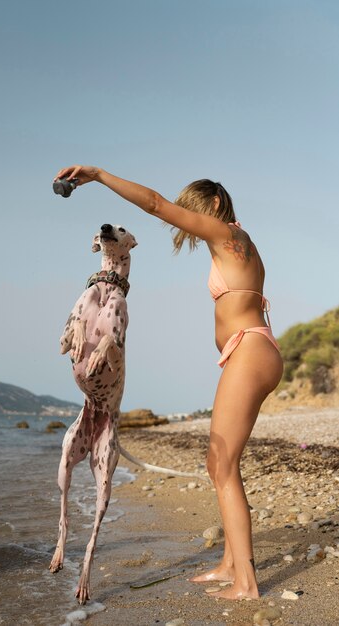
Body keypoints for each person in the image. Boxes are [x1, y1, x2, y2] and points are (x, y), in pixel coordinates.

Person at [53, 165, 283, 600]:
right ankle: (231, 563)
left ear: (214, 205)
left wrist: (100, 176)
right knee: (219, 464)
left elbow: (157, 204)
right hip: (251, 349)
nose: (187, 218)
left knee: (224, 464)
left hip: (250, 350)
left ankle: (247, 583)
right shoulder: (239, 244)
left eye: (194, 210)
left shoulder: (224, 232)